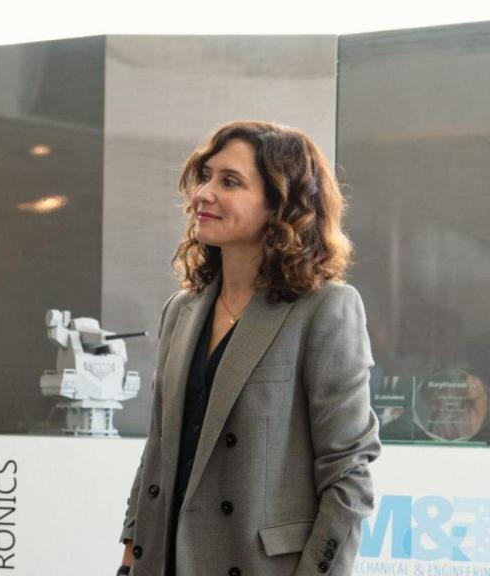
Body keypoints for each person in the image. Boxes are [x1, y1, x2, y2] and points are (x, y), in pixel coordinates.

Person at [118, 121, 381, 576]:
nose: (204, 193)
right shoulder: (181, 310)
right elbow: (160, 453)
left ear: (281, 204)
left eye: (230, 181)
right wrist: (129, 553)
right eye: (205, 176)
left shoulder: (326, 309)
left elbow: (348, 474)